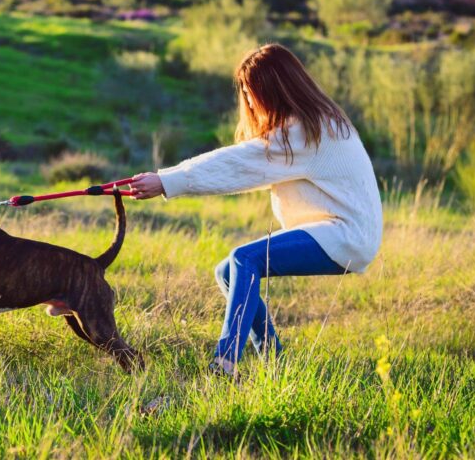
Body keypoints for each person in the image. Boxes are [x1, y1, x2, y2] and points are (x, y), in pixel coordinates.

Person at [130, 43, 383, 377]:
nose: (248, 102)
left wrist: (166, 181)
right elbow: (246, 164)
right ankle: (275, 362)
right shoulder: (313, 124)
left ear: (273, 90)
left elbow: (237, 162)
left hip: (346, 234)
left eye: (251, 93)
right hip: (339, 230)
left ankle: (225, 361)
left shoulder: (306, 132)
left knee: (244, 258)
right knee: (227, 271)